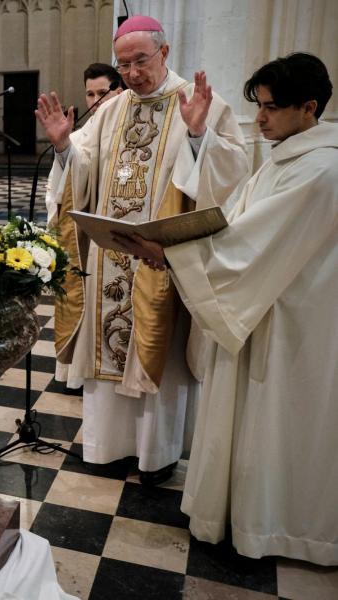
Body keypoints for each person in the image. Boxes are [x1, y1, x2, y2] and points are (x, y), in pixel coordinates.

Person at [116, 52, 337, 566]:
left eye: (270, 108)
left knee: (277, 422)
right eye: (258, 106)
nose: (259, 119)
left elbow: (251, 247)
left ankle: (277, 527)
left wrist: (170, 253)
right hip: (261, 308)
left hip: (289, 325)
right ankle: (238, 513)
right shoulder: (290, 157)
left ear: (309, 107)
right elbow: (234, 223)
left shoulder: (319, 170)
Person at [35, 15, 248, 485]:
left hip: (162, 259)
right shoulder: (112, 108)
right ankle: (106, 447)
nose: (131, 72)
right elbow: (84, 165)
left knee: (158, 351)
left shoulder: (197, 104)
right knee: (107, 350)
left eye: (140, 61)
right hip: (110, 255)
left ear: (165, 53)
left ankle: (157, 455)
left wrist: (197, 136)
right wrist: (64, 148)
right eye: (123, 63)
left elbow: (234, 169)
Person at [45, 63, 122, 221]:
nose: (96, 100)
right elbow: (60, 186)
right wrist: (62, 146)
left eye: (102, 93)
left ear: (119, 93)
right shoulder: (75, 139)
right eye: (90, 94)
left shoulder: (132, 133)